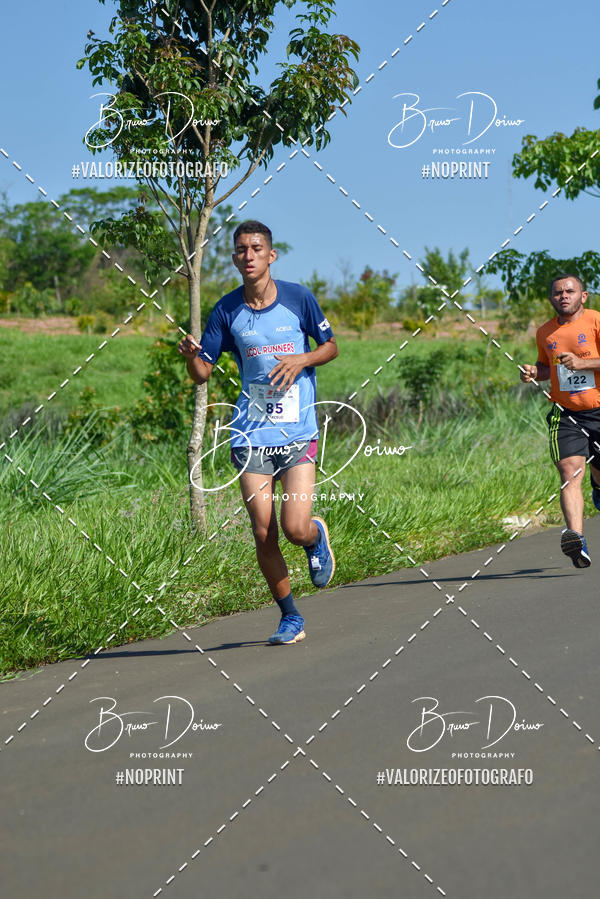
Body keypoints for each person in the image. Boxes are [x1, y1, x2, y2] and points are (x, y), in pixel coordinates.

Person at [178, 220, 338, 643]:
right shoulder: (226, 310)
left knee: (293, 526)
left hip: (298, 430)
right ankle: (290, 617)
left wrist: (301, 360)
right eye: (241, 250)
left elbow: (330, 346)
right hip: (251, 434)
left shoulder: (299, 298)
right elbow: (202, 374)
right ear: (234, 258)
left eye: (256, 248)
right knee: (263, 530)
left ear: (271, 255)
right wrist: (192, 356)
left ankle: (314, 536)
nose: (248, 256)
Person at [521, 274, 600, 568]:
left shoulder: (595, 321)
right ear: (551, 298)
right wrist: (533, 371)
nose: (563, 296)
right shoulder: (545, 333)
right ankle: (576, 539)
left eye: (570, 291)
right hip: (566, 412)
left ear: (584, 296)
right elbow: (547, 368)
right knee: (569, 473)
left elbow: (581, 364)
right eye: (557, 292)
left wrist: (583, 363)